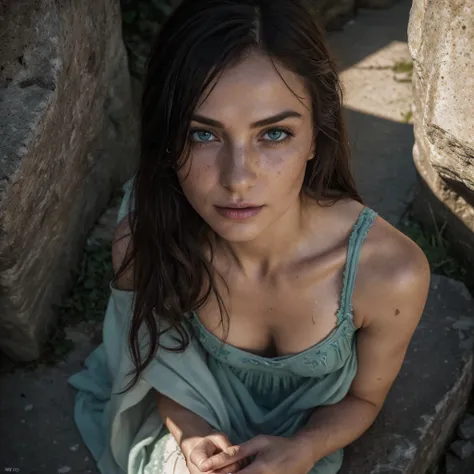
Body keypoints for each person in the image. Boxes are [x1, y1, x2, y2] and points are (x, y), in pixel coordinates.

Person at [68, 0, 431, 473]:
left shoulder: (387, 275)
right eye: (203, 135)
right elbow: (159, 370)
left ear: (316, 137)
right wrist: (191, 435)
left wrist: (306, 448)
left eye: (274, 134)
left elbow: (364, 398)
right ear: (168, 140)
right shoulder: (149, 246)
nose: (238, 179)